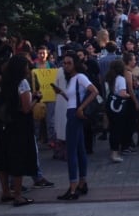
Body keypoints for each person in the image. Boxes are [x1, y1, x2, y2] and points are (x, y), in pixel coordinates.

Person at [0, 55, 38, 206]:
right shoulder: (22, 83)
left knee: (3, 157)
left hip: (3, 124)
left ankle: (5, 191)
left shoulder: (1, 81)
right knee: (18, 158)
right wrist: (36, 99)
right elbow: (25, 108)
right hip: (19, 125)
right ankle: (18, 195)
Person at [55, 52, 99, 200]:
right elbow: (72, 98)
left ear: (75, 64)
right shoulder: (73, 79)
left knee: (72, 151)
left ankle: (73, 188)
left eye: (69, 63)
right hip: (73, 112)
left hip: (75, 114)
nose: (66, 66)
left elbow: (94, 91)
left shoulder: (80, 77)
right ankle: (82, 182)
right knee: (79, 150)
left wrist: (81, 108)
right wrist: (61, 93)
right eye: (64, 63)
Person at [104, 59, 131, 163]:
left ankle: (113, 150)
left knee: (113, 130)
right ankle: (115, 153)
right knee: (118, 129)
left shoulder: (109, 78)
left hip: (109, 104)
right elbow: (122, 93)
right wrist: (128, 95)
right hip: (118, 106)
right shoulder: (120, 79)